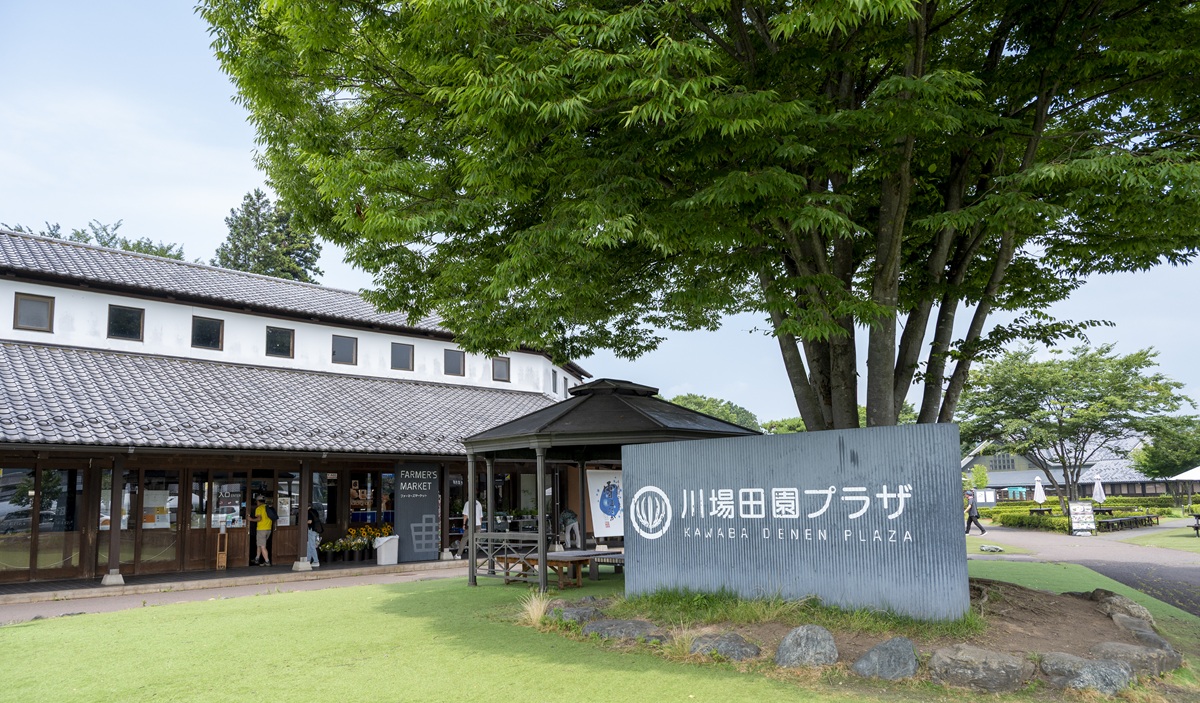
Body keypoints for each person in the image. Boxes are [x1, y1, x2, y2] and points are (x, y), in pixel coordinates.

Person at [248, 495, 273, 566]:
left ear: (258, 501)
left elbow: (259, 519)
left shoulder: (259, 508)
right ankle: (257, 558)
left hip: (261, 529)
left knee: (262, 546)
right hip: (268, 529)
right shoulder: (268, 507)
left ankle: (267, 561)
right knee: (259, 544)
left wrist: (251, 519)